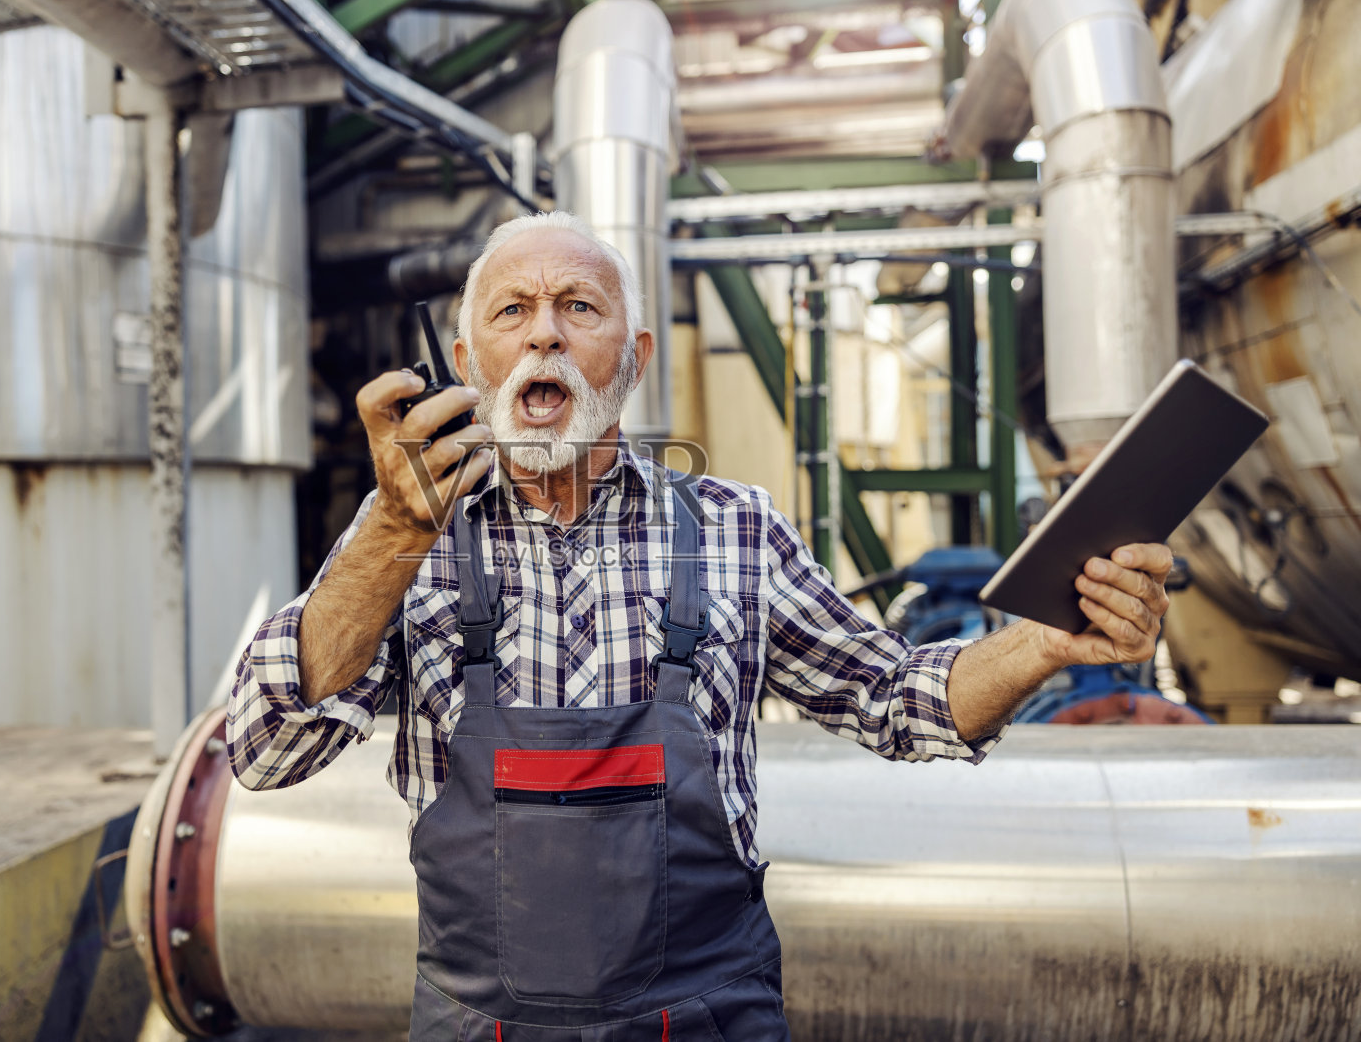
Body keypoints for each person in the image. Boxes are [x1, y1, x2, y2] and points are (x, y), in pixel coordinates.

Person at [227, 211, 1172, 1041]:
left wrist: (1048, 639)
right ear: (467, 365)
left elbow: (899, 700)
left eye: (578, 308)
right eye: (512, 311)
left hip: (707, 1019)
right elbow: (264, 749)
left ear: (634, 360)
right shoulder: (399, 541)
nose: (545, 334)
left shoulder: (734, 529)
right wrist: (393, 524)